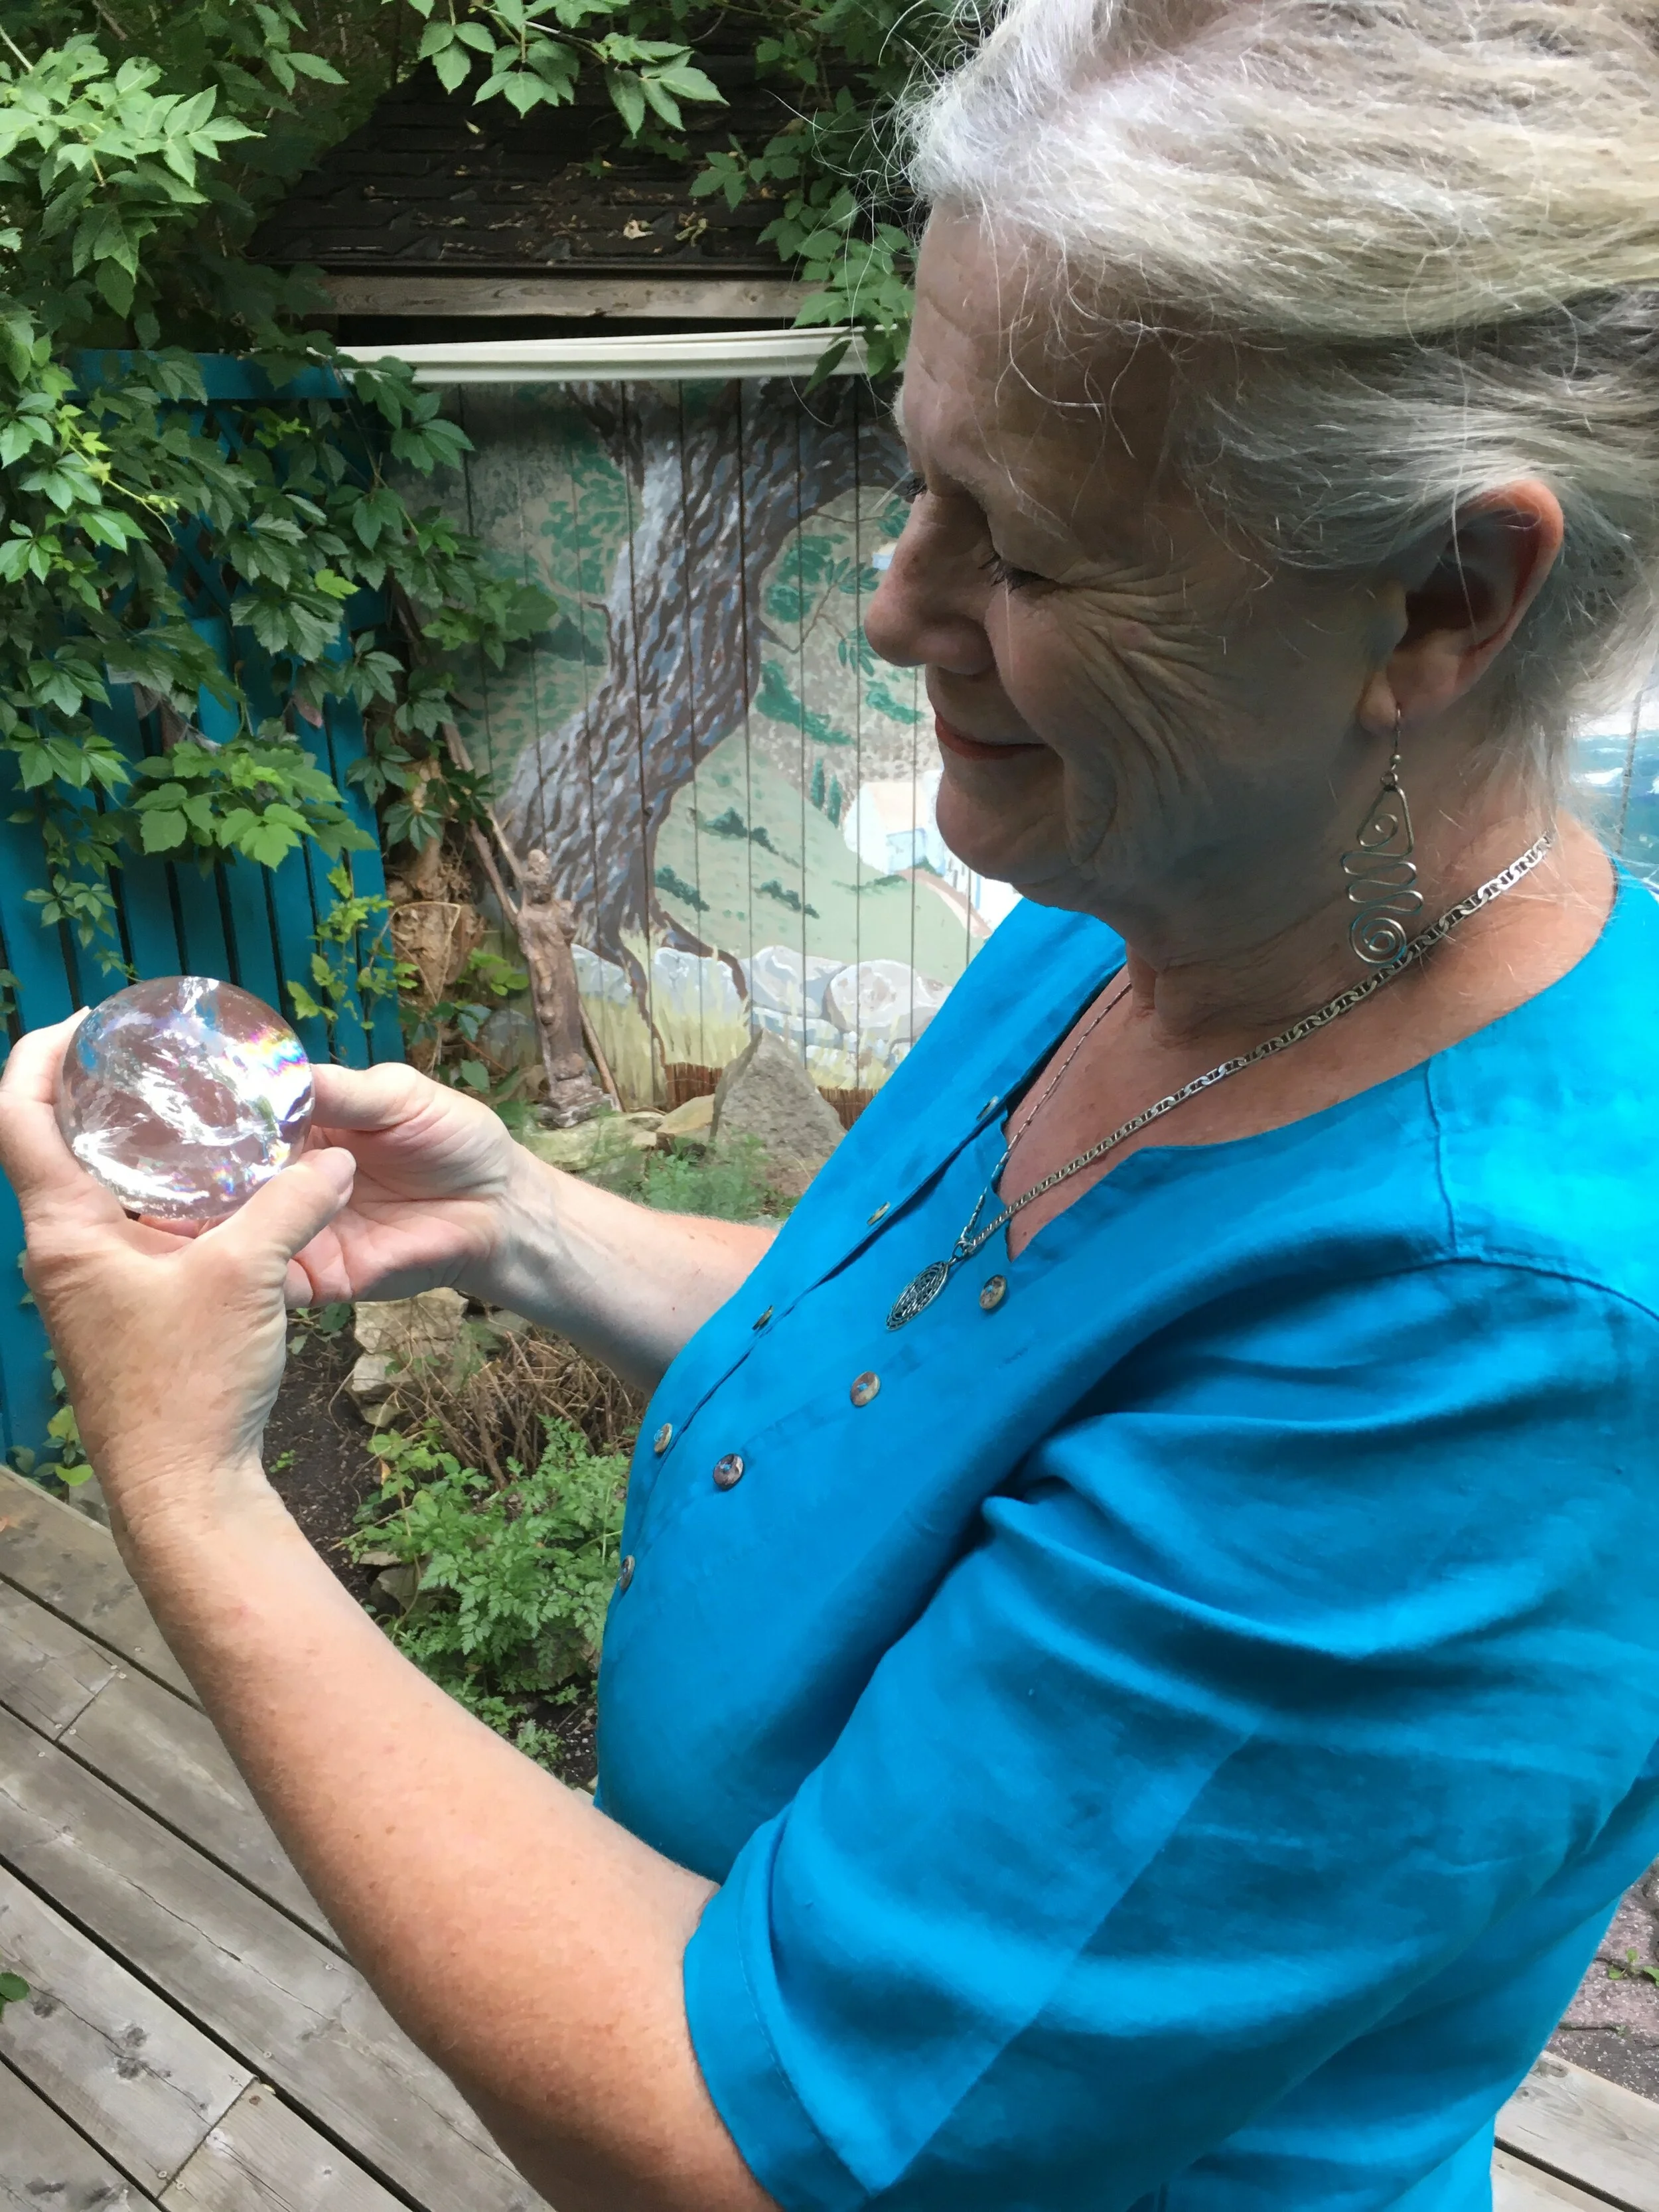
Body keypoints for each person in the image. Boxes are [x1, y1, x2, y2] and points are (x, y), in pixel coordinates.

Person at [7, 4, 1659, 2207]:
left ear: (1442, 594)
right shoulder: (1159, 887)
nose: (895, 608)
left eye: (1025, 550)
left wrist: (188, 1491)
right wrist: (525, 1224)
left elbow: (754, 2133)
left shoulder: (1503, 1346)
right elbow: (950, 1373)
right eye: (918, 481)